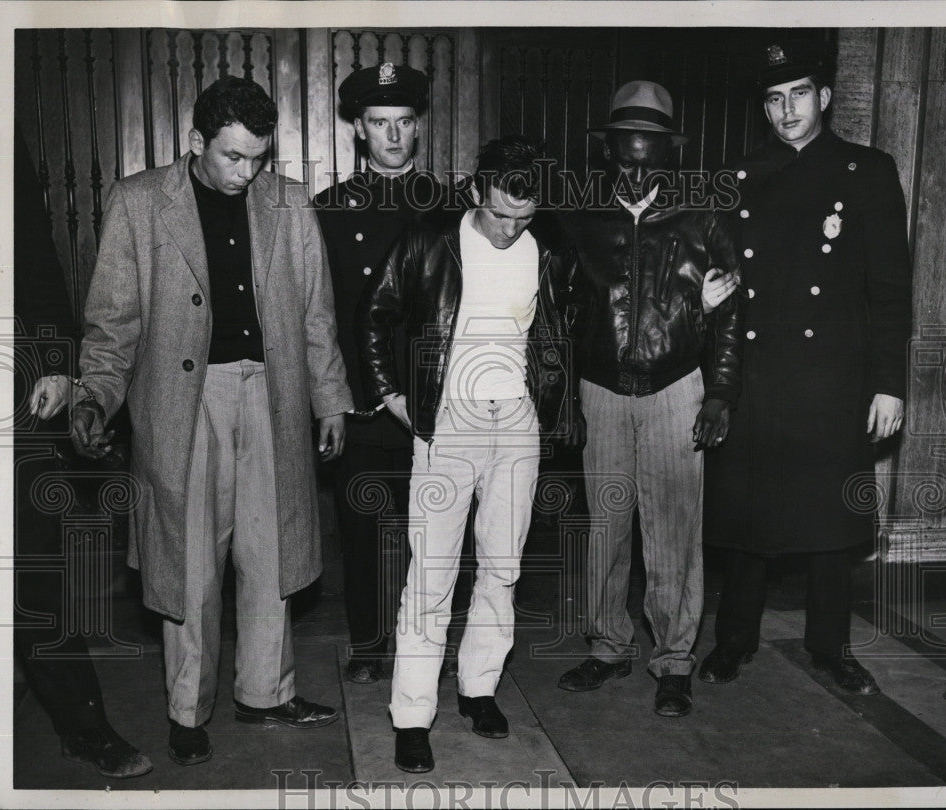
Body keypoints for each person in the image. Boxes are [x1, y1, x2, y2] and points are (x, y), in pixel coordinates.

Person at [66, 76, 353, 766]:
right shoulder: (138, 203)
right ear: (196, 142)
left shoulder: (286, 203)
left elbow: (317, 314)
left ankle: (266, 692)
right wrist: (94, 397)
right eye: (231, 157)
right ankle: (188, 712)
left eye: (257, 157)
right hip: (181, 405)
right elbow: (112, 326)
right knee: (189, 563)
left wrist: (331, 398)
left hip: (273, 395)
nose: (246, 172)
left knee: (270, 554)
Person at [359, 136, 585, 773]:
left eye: (524, 218)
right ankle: (411, 715)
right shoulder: (431, 241)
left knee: (501, 566)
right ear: (475, 191)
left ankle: (479, 687)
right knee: (430, 573)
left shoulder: (550, 245)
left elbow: (564, 327)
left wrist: (551, 405)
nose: (512, 229)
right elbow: (374, 313)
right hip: (448, 425)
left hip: (516, 424)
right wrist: (393, 395)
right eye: (500, 214)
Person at [701, 43, 912, 696]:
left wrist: (888, 384)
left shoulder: (867, 171)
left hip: (832, 377)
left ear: (823, 98)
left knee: (829, 529)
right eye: (773, 97)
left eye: (798, 94)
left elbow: (889, 289)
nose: (786, 109)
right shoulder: (736, 174)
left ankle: (832, 647)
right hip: (757, 375)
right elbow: (713, 271)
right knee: (746, 522)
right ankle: (733, 639)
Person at [556, 80, 742, 718]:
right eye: (625, 158)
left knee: (673, 532)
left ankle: (673, 660)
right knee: (605, 528)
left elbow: (728, 322)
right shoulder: (579, 224)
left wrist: (718, 394)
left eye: (649, 159)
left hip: (676, 393)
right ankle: (608, 647)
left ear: (670, 157)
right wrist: (563, 401)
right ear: (607, 153)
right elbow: (555, 319)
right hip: (600, 394)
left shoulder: (702, 225)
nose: (636, 173)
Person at [15, 133, 152, 780]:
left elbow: (32, 255)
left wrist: (56, 363)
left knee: (36, 574)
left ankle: (83, 726)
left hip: (10, 390)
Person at [314, 63, 449, 685]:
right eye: (378, 124)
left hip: (436, 401)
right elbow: (321, 314)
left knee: (440, 535)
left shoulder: (450, 209)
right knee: (363, 531)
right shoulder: (331, 209)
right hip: (366, 403)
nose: (392, 136)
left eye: (403, 123)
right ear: (359, 132)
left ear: (417, 128)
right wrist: (336, 400)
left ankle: (432, 646)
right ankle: (369, 647)